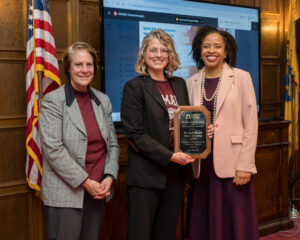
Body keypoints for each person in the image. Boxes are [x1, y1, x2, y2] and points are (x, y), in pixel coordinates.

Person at [39, 42, 119, 240]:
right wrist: (85, 181)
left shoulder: (103, 100)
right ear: (68, 68)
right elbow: (53, 150)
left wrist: (109, 176)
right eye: (78, 65)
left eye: (89, 65)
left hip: (98, 192)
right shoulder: (53, 101)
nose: (85, 70)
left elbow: (113, 146)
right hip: (66, 194)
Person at [121, 29, 196, 240]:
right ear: (144, 54)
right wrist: (170, 155)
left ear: (170, 54)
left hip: (175, 174)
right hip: (146, 174)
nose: (159, 55)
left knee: (166, 233)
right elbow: (135, 134)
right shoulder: (134, 87)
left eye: (164, 50)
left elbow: (187, 122)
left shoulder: (179, 84)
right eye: (153, 50)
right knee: (140, 234)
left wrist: (201, 129)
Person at [186, 25, 259, 240]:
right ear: (199, 51)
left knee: (235, 224)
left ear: (226, 51)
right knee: (204, 223)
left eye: (217, 46)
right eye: (206, 46)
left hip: (234, 163)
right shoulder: (191, 83)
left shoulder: (241, 77)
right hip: (202, 165)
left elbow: (251, 124)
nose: (212, 50)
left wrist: (245, 165)